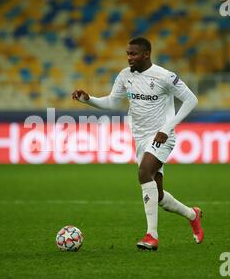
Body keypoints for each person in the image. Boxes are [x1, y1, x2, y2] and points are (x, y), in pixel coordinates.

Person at [71, 37, 204, 250]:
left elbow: (191, 100)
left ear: (146, 54)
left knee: (143, 173)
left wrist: (167, 128)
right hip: (141, 139)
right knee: (158, 196)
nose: (129, 58)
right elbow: (113, 102)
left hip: (162, 136)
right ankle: (192, 214)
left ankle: (151, 236)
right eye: (127, 54)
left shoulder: (164, 76)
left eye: (133, 54)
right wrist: (89, 99)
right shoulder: (125, 76)